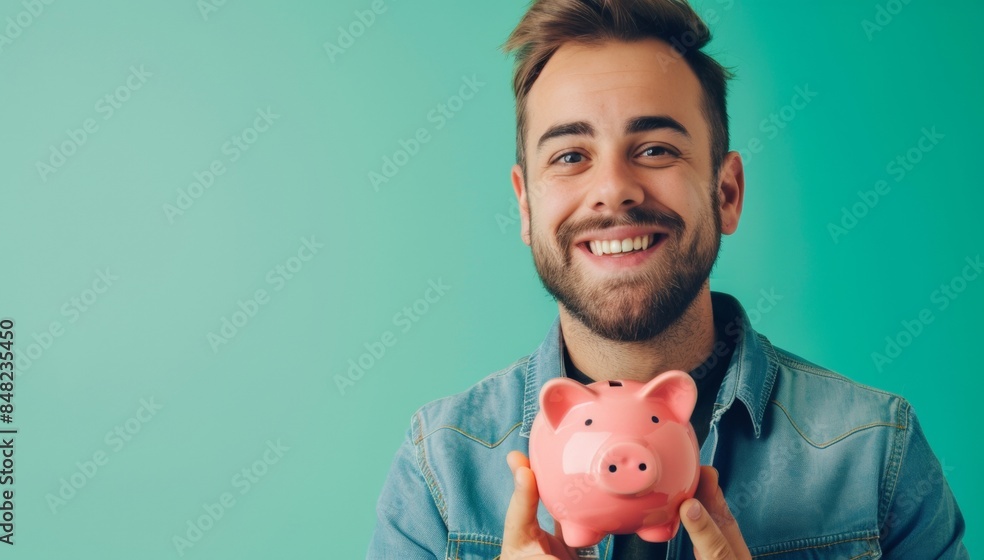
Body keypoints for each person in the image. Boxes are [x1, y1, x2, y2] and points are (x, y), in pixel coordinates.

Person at [367, 0, 969, 558]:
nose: (613, 190)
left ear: (727, 192)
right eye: (571, 156)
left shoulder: (872, 452)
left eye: (655, 149)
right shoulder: (442, 467)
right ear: (526, 208)